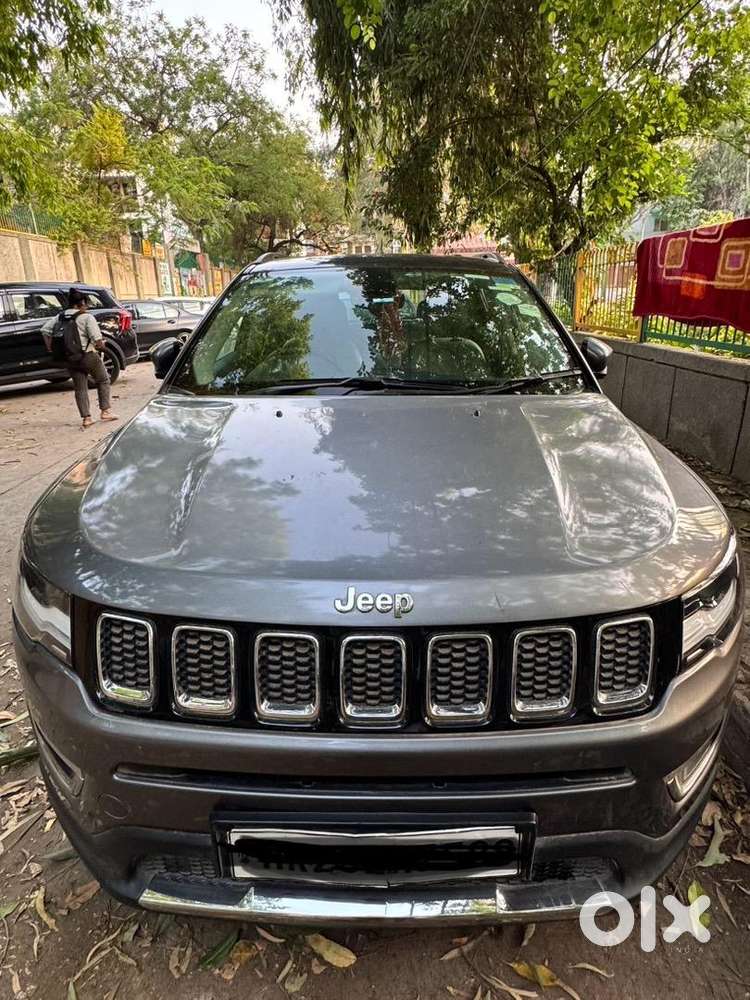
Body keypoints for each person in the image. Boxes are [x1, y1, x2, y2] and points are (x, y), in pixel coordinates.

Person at [42, 288, 119, 429]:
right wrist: (102, 345)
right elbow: (97, 340)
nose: (87, 306)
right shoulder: (86, 317)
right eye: (86, 303)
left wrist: (50, 347)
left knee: (80, 388)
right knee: (103, 380)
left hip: (70, 357)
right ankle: (105, 411)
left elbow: (45, 330)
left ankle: (86, 418)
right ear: (81, 303)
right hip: (87, 355)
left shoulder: (60, 316)